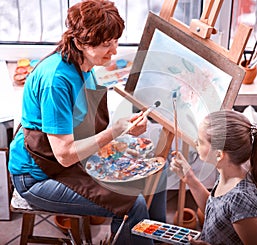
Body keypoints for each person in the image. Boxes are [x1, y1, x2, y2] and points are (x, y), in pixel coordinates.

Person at [8, 1, 164, 244]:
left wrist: (126, 131)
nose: (113, 52)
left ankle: (159, 240)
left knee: (156, 177)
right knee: (134, 204)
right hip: (40, 175)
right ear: (80, 42)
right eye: (105, 45)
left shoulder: (85, 63)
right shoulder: (56, 80)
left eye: (115, 42)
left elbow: (83, 126)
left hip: (70, 162)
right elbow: (65, 155)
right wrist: (116, 131)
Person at [170, 110, 257, 245]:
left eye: (201, 141)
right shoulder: (229, 173)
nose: (196, 142)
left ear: (219, 155)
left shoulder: (241, 200)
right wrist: (189, 178)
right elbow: (215, 213)